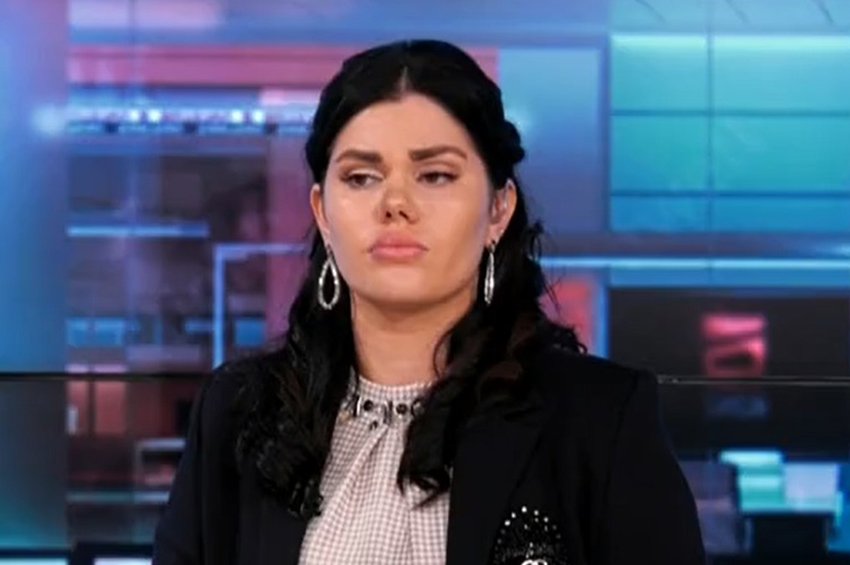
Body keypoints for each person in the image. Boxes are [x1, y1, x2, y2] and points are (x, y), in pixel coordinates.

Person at [152, 39, 706, 565]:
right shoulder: (237, 414)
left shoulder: (600, 421)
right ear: (322, 212)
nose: (395, 203)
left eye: (435, 175)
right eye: (361, 177)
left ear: (498, 209)